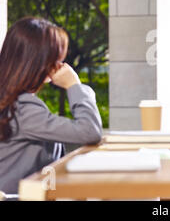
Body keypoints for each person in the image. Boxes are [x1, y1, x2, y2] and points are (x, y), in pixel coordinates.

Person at [0, 17, 102, 195]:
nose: (59, 64)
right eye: (55, 58)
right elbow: (90, 130)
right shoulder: (22, 108)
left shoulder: (13, 102)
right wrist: (74, 85)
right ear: (37, 61)